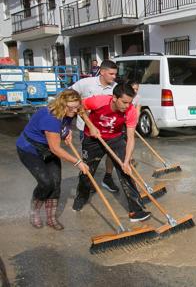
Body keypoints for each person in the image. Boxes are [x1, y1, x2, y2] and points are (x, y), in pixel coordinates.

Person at [72, 82, 151, 222]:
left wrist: (126, 161)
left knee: (126, 171)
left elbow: (131, 138)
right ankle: (81, 196)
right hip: (92, 139)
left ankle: (136, 210)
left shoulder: (131, 111)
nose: (127, 106)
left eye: (130, 102)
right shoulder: (98, 101)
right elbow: (80, 108)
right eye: (124, 102)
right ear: (114, 98)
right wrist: (90, 126)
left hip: (115, 139)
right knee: (87, 171)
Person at [16, 89, 90, 230]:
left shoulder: (68, 112)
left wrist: (66, 131)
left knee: (56, 183)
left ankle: (51, 218)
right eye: (72, 108)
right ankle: (34, 212)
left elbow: (65, 124)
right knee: (46, 183)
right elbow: (56, 149)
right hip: (30, 150)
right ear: (62, 104)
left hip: (48, 149)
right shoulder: (50, 118)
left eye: (77, 107)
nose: (75, 111)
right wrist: (78, 162)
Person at [70, 59, 119, 193]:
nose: (114, 77)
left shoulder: (115, 88)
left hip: (108, 128)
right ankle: (88, 182)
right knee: (90, 159)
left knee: (111, 154)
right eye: (111, 74)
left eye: (115, 74)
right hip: (87, 128)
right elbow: (67, 95)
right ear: (102, 72)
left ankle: (108, 178)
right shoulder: (85, 83)